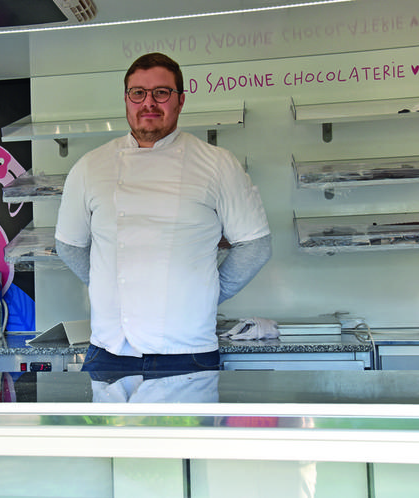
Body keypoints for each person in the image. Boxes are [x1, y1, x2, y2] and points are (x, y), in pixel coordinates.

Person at [55, 52, 271, 374]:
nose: (149, 103)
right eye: (138, 93)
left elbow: (255, 246)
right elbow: (69, 245)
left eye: (161, 93)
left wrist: (205, 293)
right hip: (109, 349)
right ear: (127, 100)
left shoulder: (217, 163)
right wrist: (111, 286)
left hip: (187, 348)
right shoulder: (90, 166)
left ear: (180, 101)